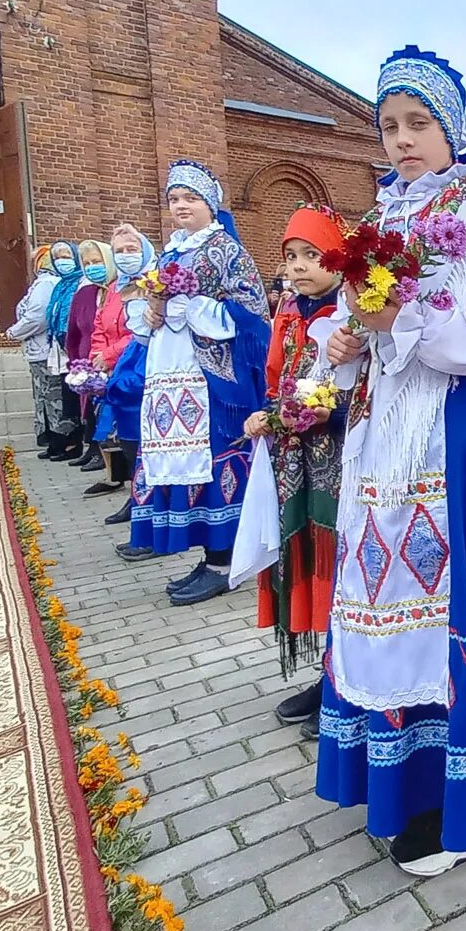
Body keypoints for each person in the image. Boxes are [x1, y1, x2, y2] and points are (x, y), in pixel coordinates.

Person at [316, 45, 466, 878]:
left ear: (452, 129)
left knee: (451, 592)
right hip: (388, 435)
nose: (403, 139)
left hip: (456, 435)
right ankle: (402, 783)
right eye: (389, 124)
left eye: (419, 123)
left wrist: (403, 327)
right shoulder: (384, 220)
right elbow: (370, 325)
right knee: (384, 590)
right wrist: (351, 340)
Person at [120, 161, 271, 607]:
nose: (181, 206)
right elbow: (155, 302)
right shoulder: (170, 254)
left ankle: (225, 561)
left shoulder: (226, 250)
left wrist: (193, 307)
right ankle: (210, 557)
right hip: (170, 373)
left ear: (211, 203)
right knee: (184, 465)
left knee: (215, 463)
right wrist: (153, 310)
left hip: (213, 382)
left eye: (191, 198)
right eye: (174, 199)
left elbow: (253, 314)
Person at [243, 205, 350, 741]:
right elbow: (276, 380)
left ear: (337, 256)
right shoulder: (286, 316)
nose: (300, 266)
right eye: (291, 256)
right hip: (294, 467)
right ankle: (327, 672)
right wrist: (264, 412)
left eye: (313, 253)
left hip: (338, 469)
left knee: (343, 575)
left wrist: (334, 411)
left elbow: (366, 390)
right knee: (305, 560)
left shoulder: (353, 317)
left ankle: (344, 685)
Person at [86, 224, 153, 499]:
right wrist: (97, 358)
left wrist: (111, 355)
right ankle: (133, 496)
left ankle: (144, 499)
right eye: (119, 251)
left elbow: (139, 332)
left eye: (131, 250)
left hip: (140, 368)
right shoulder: (116, 287)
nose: (125, 256)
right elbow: (100, 324)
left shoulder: (154, 282)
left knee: (141, 439)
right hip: (116, 370)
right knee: (123, 436)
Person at [6, 241, 77, 458]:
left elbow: (37, 317)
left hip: (45, 350)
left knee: (52, 396)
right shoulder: (45, 283)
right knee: (45, 397)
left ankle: (61, 441)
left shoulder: (46, 284)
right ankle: (54, 442)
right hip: (40, 350)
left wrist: (13, 332)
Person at [64, 239, 115, 473]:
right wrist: (75, 362)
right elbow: (73, 331)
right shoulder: (84, 293)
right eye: (87, 263)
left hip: (111, 358)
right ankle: (93, 450)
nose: (92, 266)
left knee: (106, 411)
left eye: (97, 261)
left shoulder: (118, 289)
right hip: (87, 358)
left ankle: (107, 459)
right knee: (90, 408)